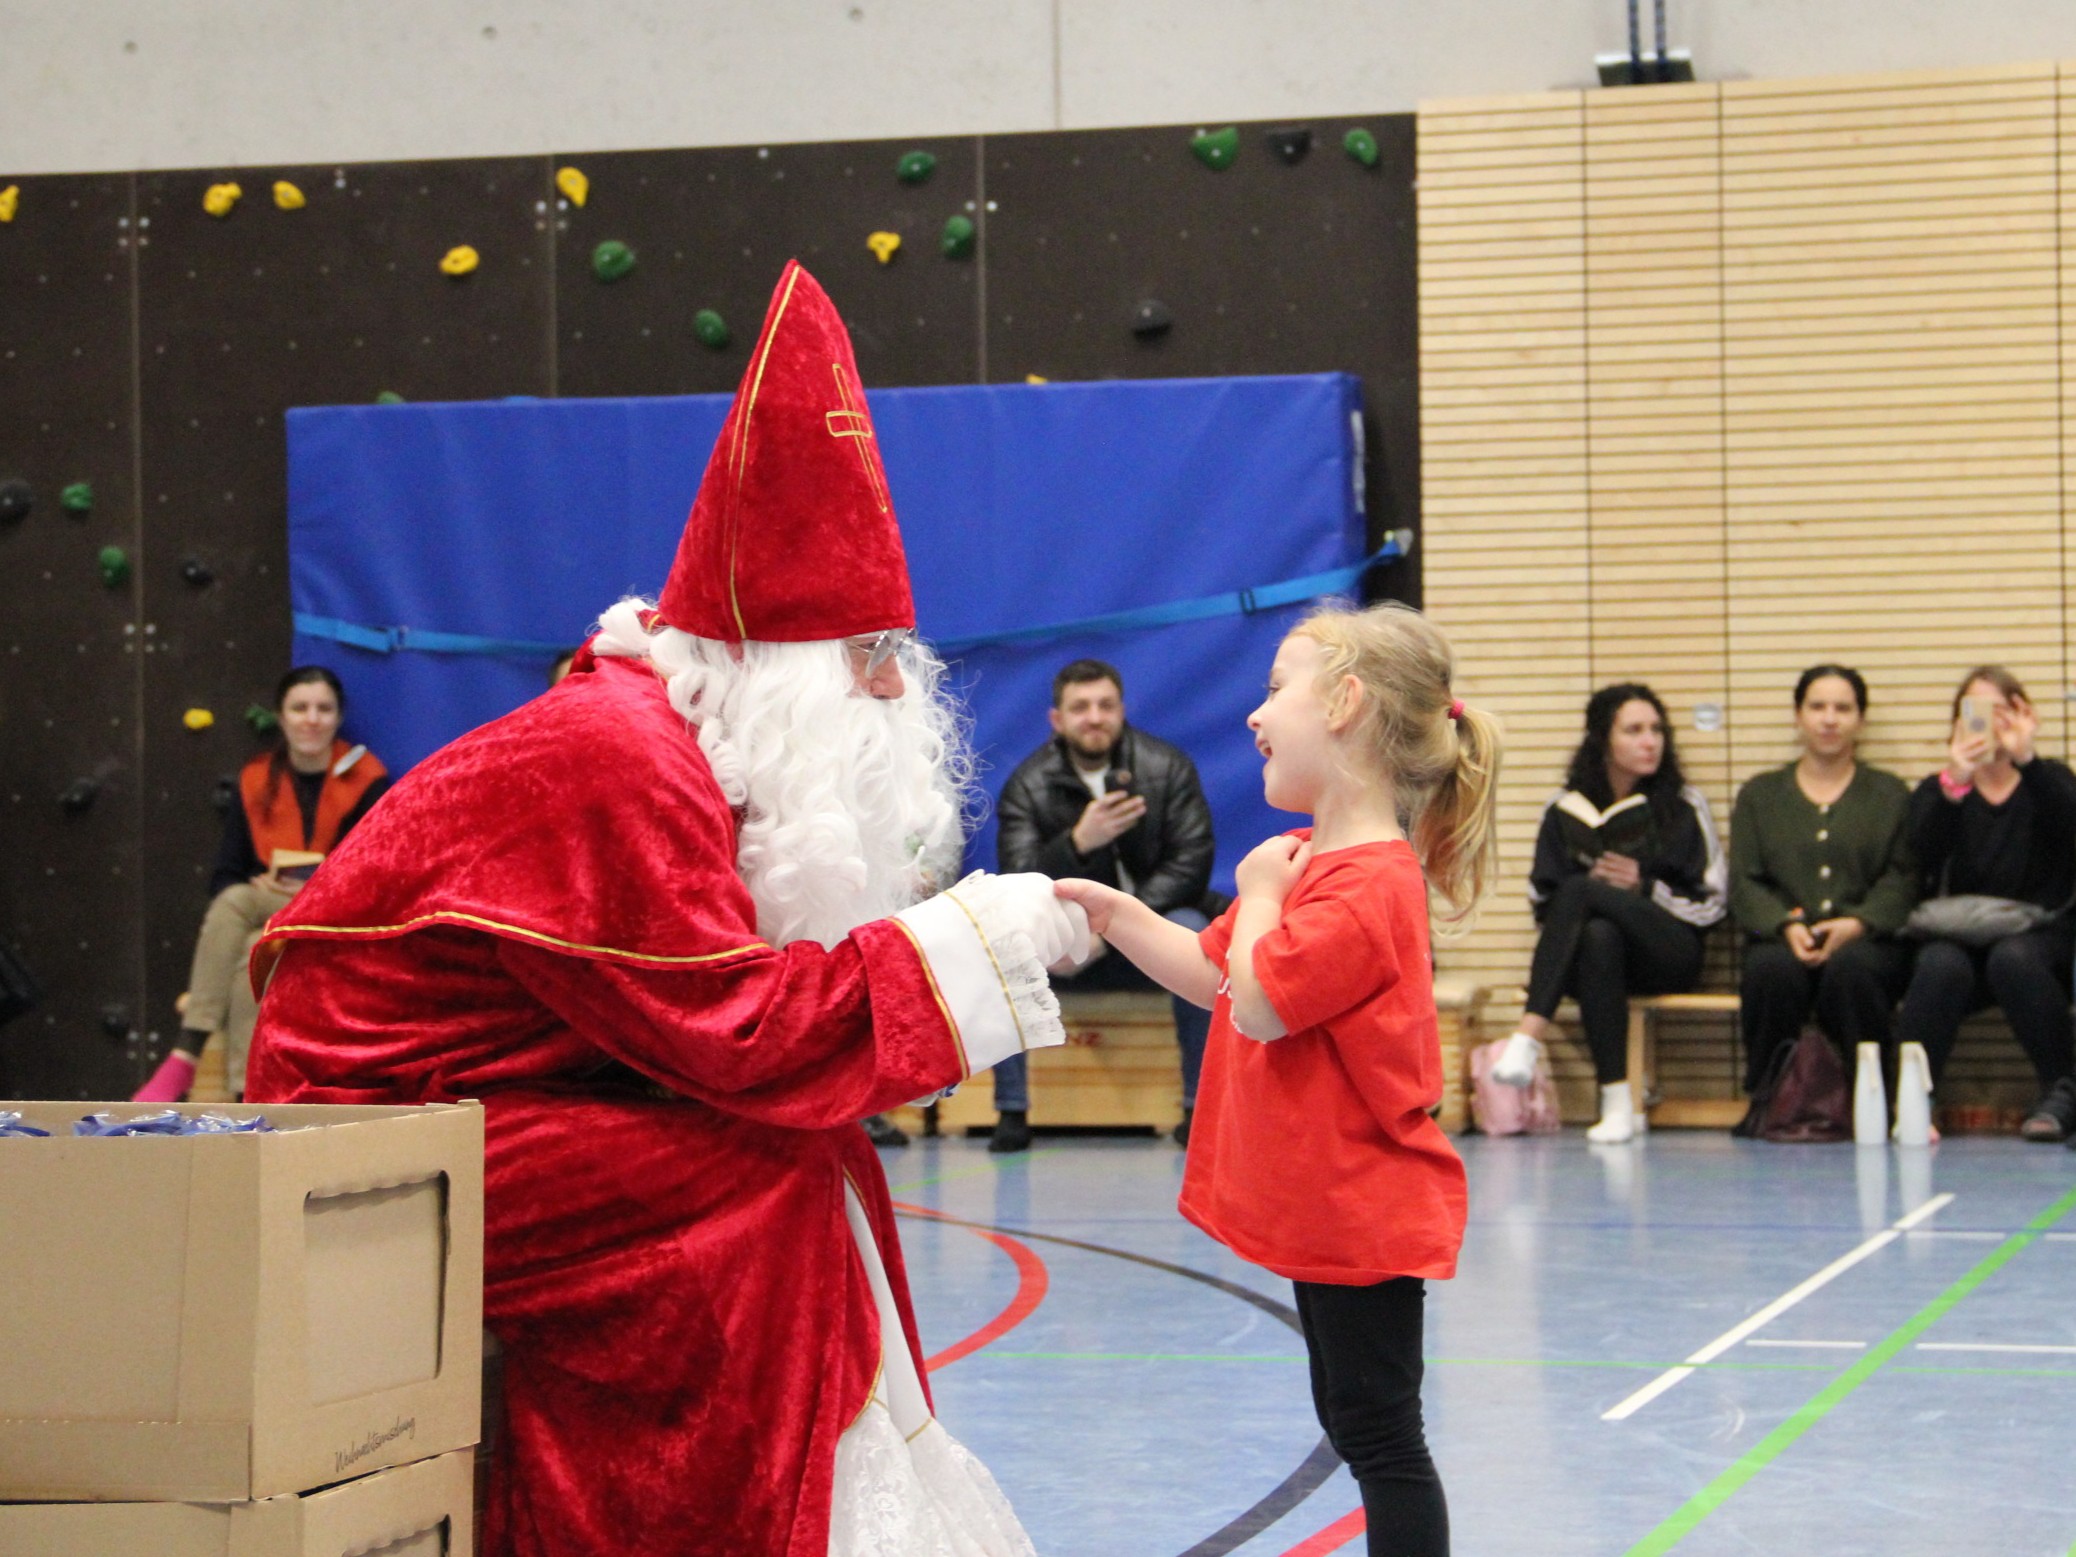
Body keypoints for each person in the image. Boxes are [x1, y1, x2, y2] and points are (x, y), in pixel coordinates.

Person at [245, 262, 1086, 1556]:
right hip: (369, 1135)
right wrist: (987, 940)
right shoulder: (626, 762)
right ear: (783, 671)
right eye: (866, 662)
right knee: (762, 1192)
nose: (888, 698)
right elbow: (743, 1032)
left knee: (815, 1158)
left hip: (496, 1098)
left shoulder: (695, 739)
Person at [1056, 602, 1499, 1557]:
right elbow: (1216, 974)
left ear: (1343, 702)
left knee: (1382, 1438)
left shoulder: (1367, 880)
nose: (1255, 716)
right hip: (1325, 1209)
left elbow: (1257, 1002)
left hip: (1364, 1211)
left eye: (1273, 689)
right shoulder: (1311, 863)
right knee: (1354, 1424)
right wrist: (1117, 912)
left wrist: (1258, 893)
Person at [133, 666, 389, 1102]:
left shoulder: (366, 777)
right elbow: (225, 873)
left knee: (248, 925)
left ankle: (186, 1052)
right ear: (281, 716)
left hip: (334, 915)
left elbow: (374, 871)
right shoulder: (255, 778)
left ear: (338, 717)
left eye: (323, 709)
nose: (311, 719)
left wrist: (319, 880)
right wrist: (268, 881)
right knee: (245, 925)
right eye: (299, 707)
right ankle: (245, 1095)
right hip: (270, 910)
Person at [993, 658, 1220, 1150]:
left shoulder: (1167, 767)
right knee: (1002, 950)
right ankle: (1011, 1111)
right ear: (1058, 719)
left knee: (1195, 931)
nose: (1094, 717)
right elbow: (1017, 880)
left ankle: (1198, 1108)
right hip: (1066, 939)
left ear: (1122, 710)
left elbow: (1190, 866)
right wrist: (1077, 840)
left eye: (1105, 705)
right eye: (1080, 707)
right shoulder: (1027, 786)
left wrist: (1116, 927)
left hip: (1150, 928)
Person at [1489, 682, 1727, 1143]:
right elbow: (1542, 903)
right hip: (1595, 965)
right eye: (1634, 730)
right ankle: (1617, 1103)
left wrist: (1644, 888)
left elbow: (1713, 904)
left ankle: (1527, 1038)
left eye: (1657, 729)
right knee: (1597, 933)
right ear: (1603, 739)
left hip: (1670, 951)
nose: (1649, 741)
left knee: (1582, 891)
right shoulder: (1563, 810)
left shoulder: (1683, 806)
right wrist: (1595, 899)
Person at [1894, 665, 2076, 1143]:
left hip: (2040, 934)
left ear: (2022, 716)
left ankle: (2062, 1090)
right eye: (1975, 713)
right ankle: (1914, 1098)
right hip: (1961, 932)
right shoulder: (1940, 790)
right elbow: (1920, 854)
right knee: (1938, 965)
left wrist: (2028, 760)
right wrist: (1956, 780)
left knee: (2013, 958)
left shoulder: (2049, 779)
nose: (1989, 725)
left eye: (2001, 712)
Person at [1730, 665, 1916, 1104]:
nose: (1829, 719)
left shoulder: (1890, 794)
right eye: (1817, 707)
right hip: (1784, 938)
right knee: (1771, 971)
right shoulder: (1760, 795)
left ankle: (1869, 1100)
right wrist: (1783, 925)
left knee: (1852, 971)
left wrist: (1859, 923)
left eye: (1843, 708)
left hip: (1867, 942)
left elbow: (1904, 876)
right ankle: (1770, 1101)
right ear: (1798, 716)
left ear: (1860, 721)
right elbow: (1744, 880)